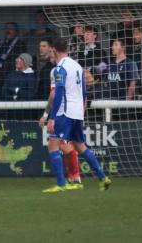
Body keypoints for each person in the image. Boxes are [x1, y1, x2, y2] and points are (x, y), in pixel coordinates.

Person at [44, 38, 111, 193]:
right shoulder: (77, 66)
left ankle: (61, 184)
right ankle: (102, 177)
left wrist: (52, 117)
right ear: (67, 49)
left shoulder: (60, 69)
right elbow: (84, 91)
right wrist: (81, 110)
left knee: (53, 144)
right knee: (80, 146)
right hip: (77, 112)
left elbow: (58, 93)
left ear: (54, 49)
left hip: (65, 112)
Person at [38, 48, 82, 187]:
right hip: (73, 111)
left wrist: (46, 115)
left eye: (51, 52)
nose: (50, 55)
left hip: (62, 113)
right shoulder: (70, 67)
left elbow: (53, 94)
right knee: (65, 145)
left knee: (55, 145)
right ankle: (74, 177)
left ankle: (63, 182)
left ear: (55, 52)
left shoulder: (57, 70)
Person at [0, 22, 26, 98]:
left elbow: (21, 63)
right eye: (6, 28)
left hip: (12, 81)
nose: (8, 30)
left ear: (16, 32)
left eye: (11, 28)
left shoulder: (20, 44)